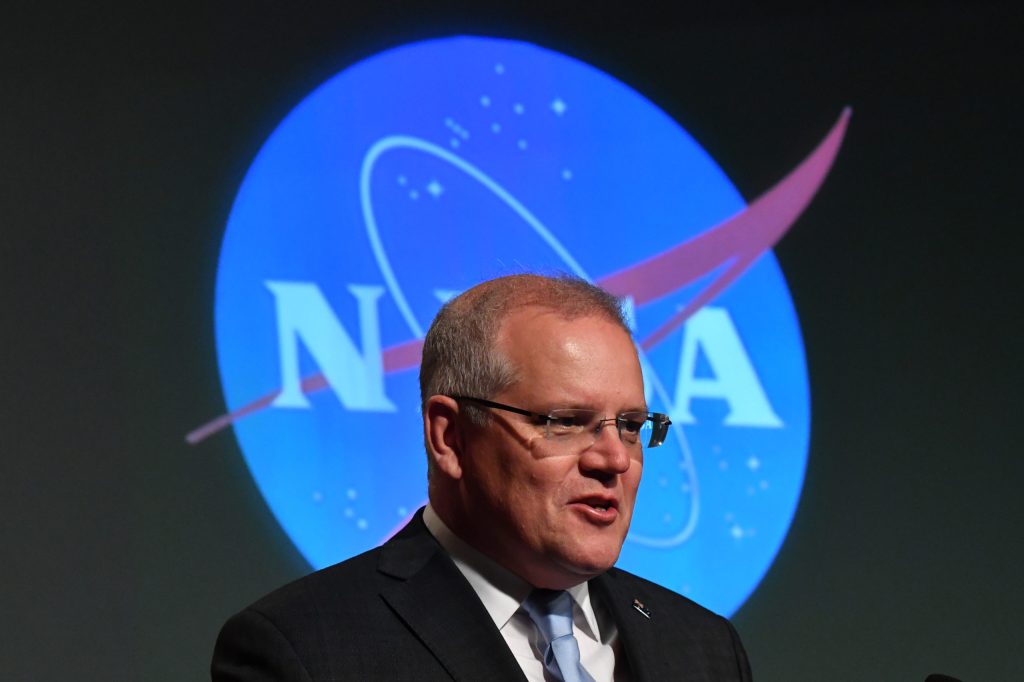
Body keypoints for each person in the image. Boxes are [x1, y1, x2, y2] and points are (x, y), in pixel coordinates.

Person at [211, 274, 752, 681]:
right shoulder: (305, 651)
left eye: (631, 426)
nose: (614, 459)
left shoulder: (704, 650)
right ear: (450, 436)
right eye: (565, 423)